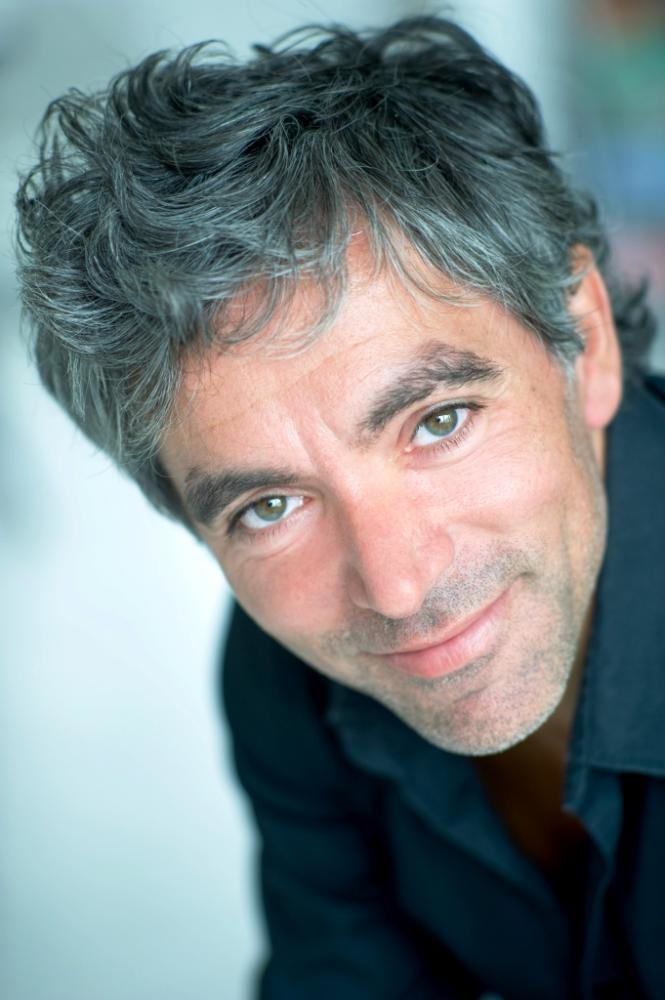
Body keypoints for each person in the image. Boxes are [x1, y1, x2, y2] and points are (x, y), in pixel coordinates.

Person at [15, 15, 664, 999]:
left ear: (585, 345)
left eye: (438, 421)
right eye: (271, 505)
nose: (396, 589)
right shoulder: (288, 677)